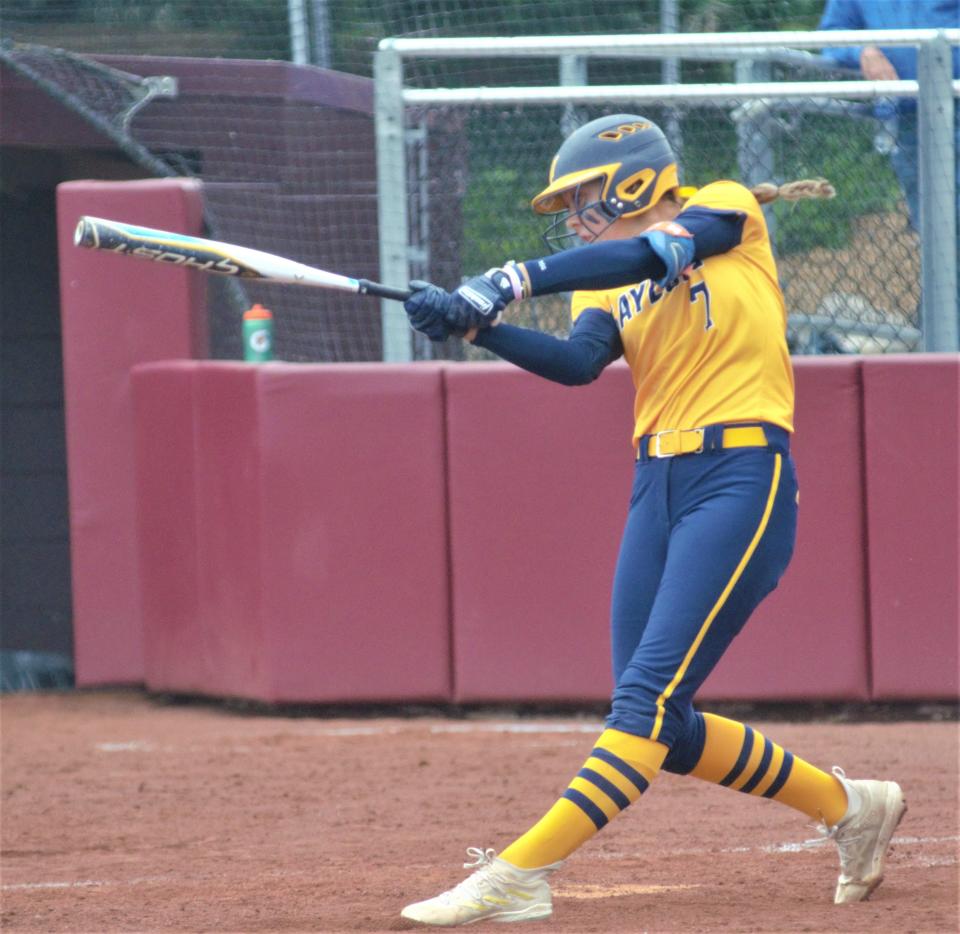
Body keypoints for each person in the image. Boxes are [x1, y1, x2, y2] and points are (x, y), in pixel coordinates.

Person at [397, 114, 907, 927]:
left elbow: (646, 251)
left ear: (635, 178)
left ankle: (519, 872)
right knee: (657, 723)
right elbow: (577, 363)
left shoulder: (725, 206)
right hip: (657, 483)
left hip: (741, 475)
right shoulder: (605, 279)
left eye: (583, 196)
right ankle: (853, 806)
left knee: (642, 700)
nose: (573, 214)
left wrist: (510, 279)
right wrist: (481, 327)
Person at [818, 0, 959, 237]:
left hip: (955, 97)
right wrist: (862, 50)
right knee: (934, 226)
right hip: (910, 119)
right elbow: (832, 35)